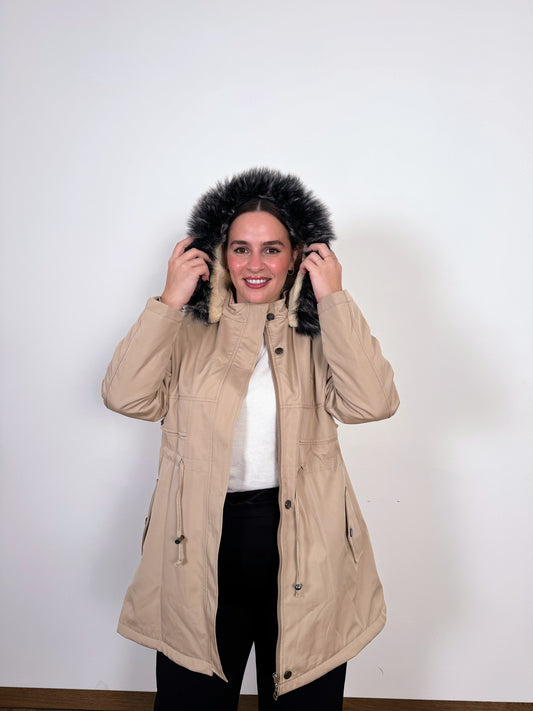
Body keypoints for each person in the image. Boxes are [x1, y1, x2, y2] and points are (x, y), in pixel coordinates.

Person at [102, 167, 399, 710]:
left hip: (308, 551)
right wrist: (169, 301)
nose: (255, 264)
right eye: (241, 249)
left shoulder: (320, 335)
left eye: (272, 249)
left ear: (298, 255)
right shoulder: (187, 332)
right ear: (219, 253)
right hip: (197, 551)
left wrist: (333, 299)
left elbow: (373, 403)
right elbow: (126, 397)